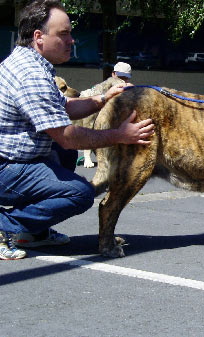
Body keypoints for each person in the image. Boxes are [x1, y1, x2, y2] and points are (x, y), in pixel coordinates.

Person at [0, 0, 155, 260]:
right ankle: (6, 226)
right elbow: (68, 137)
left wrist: (104, 98)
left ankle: (34, 233)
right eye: (64, 34)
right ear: (39, 37)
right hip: (7, 167)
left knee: (65, 154)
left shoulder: (30, 65)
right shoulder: (31, 77)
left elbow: (66, 107)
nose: (72, 40)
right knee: (79, 193)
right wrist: (120, 135)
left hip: (19, 161)